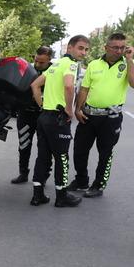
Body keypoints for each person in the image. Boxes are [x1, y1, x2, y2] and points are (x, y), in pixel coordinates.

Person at [67, 32, 134, 197]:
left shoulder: (130, 63)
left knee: (105, 152)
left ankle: (98, 185)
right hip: (88, 115)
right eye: (115, 47)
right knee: (79, 150)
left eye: (123, 47)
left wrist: (129, 60)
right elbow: (85, 89)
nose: (119, 51)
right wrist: (78, 109)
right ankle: (81, 180)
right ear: (106, 47)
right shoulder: (94, 64)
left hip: (111, 118)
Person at [28, 35, 90, 207]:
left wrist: (43, 105)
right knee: (62, 158)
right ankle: (62, 196)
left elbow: (34, 85)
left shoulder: (55, 64)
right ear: (69, 48)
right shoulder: (70, 64)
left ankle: (37, 195)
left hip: (44, 117)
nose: (83, 52)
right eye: (80, 48)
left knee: (43, 157)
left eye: (86, 49)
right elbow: (69, 85)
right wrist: (69, 109)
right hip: (58, 118)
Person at [11, 46, 54, 184]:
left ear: (49, 60)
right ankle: (23, 173)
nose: (37, 64)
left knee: (45, 148)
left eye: (42, 62)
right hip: (26, 114)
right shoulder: (28, 70)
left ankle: (44, 176)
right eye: (36, 60)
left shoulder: (55, 71)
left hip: (45, 115)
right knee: (24, 145)